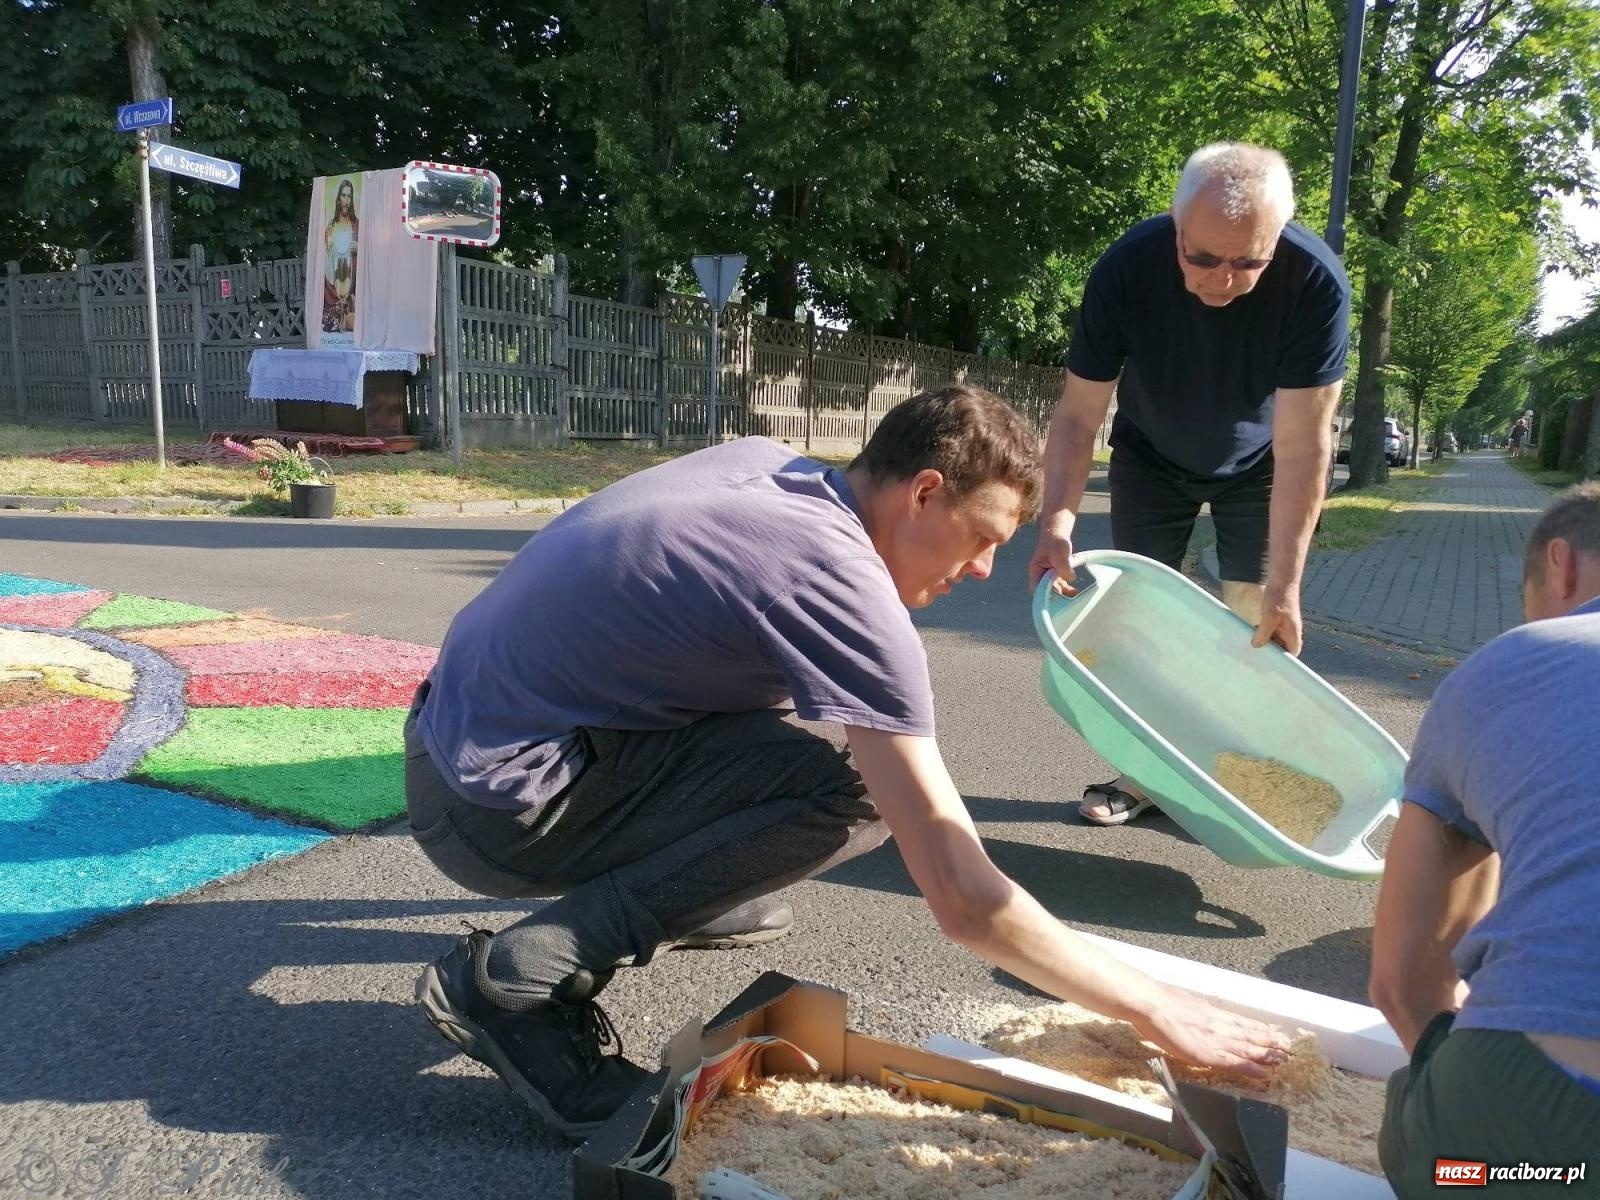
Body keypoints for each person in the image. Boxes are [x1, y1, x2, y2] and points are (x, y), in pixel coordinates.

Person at [407, 386, 1289, 1139]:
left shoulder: (771, 465)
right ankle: (515, 980)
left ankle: (682, 884)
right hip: (496, 810)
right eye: (983, 538)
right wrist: (1153, 1005)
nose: (985, 570)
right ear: (926, 490)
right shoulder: (837, 582)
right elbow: (964, 896)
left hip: (461, 737)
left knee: (809, 736)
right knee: (859, 794)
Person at [1028, 142, 1350, 826]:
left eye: (1247, 261)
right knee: (1142, 627)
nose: (1223, 279)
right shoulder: (1126, 269)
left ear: (1276, 243)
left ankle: (1231, 780)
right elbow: (1079, 414)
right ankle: (1145, 778)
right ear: (1177, 229)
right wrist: (1057, 520)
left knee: (1255, 624)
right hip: (1150, 452)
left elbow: (1303, 448)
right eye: (1202, 257)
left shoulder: (1315, 283)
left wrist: (1287, 585)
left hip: (1261, 466)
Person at [1369, 483, 1600, 1198]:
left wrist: (1447, 1070)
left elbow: (1403, 980)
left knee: (1434, 1141)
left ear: (1560, 567)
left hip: (1547, 1125)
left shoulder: (1515, 661)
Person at [322, 177, 359, 334]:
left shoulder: (357, 225)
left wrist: (359, 249)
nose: (346, 200)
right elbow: (324, 257)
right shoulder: (330, 226)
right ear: (338, 199)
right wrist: (327, 247)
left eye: (349, 196)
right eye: (343, 196)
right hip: (334, 280)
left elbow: (369, 254)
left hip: (351, 282)